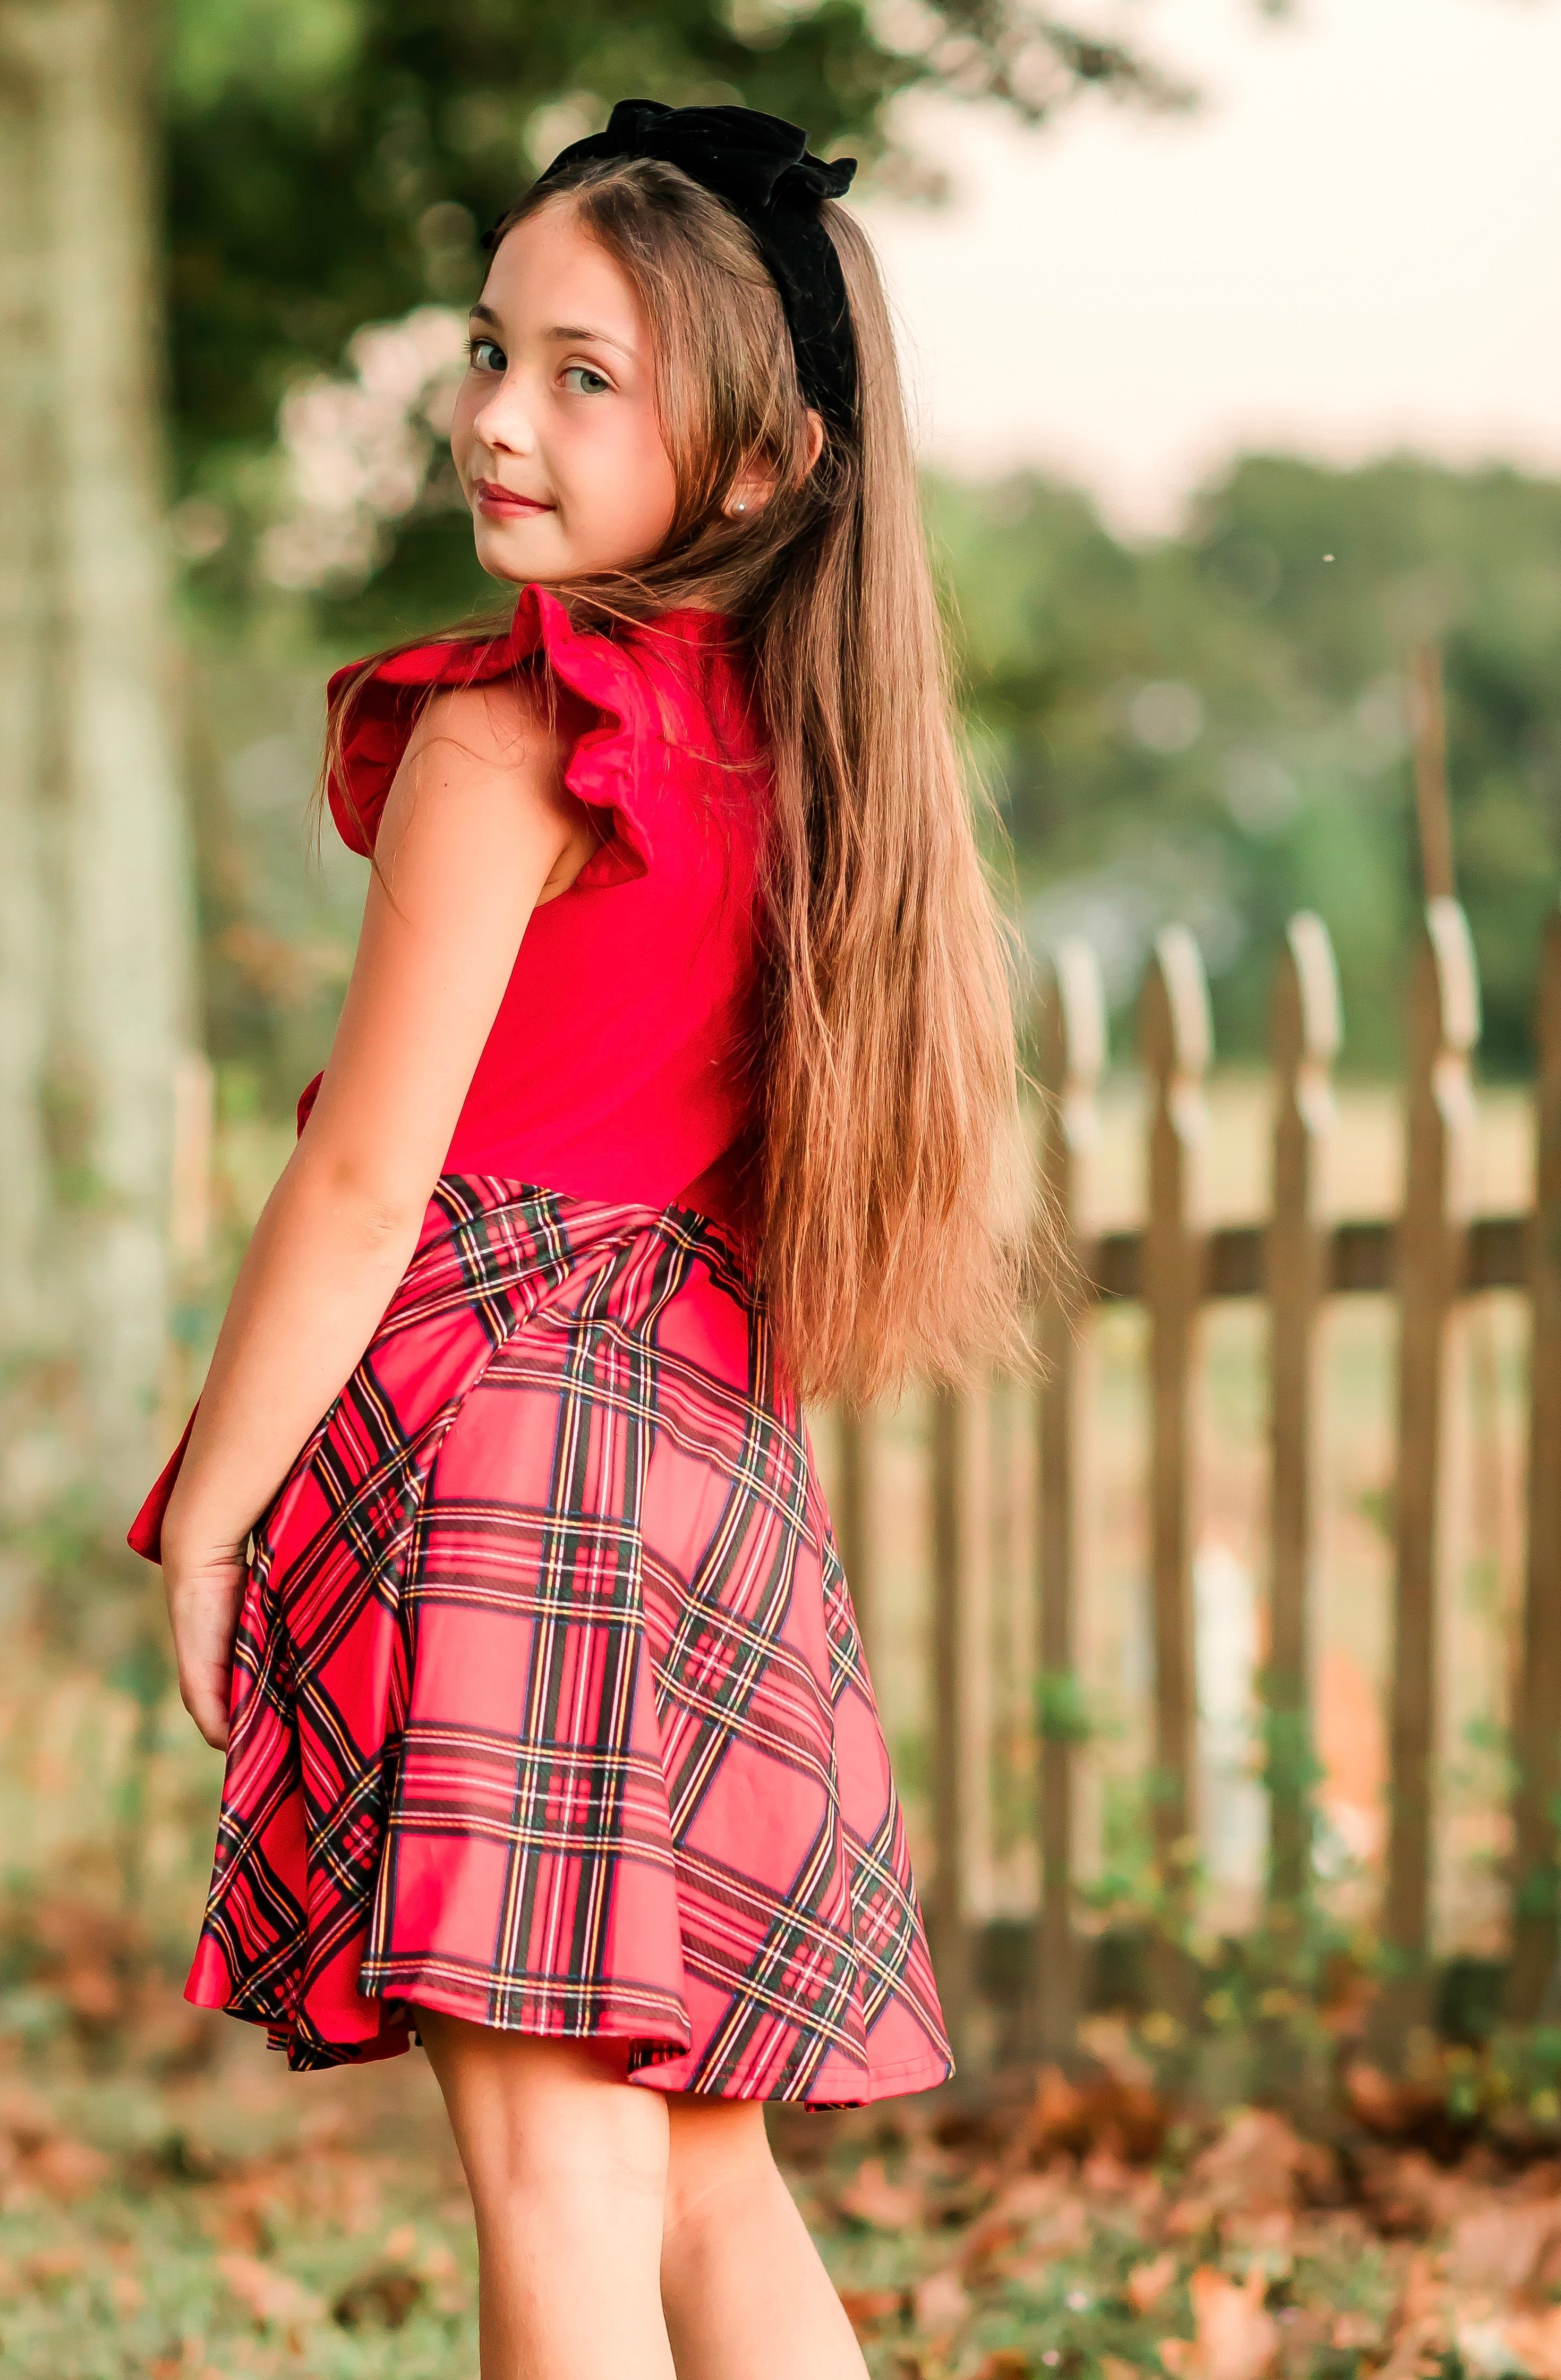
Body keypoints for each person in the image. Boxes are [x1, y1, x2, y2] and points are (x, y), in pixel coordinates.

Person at [130, 97, 1025, 2380]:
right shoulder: (822, 758)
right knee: (699, 2177)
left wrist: (209, 1503)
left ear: (753, 460)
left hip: (495, 1468)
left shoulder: (515, 741)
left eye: (583, 374)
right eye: (488, 350)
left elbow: (362, 1187)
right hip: (706, 1473)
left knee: (557, 2178)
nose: (498, 420)